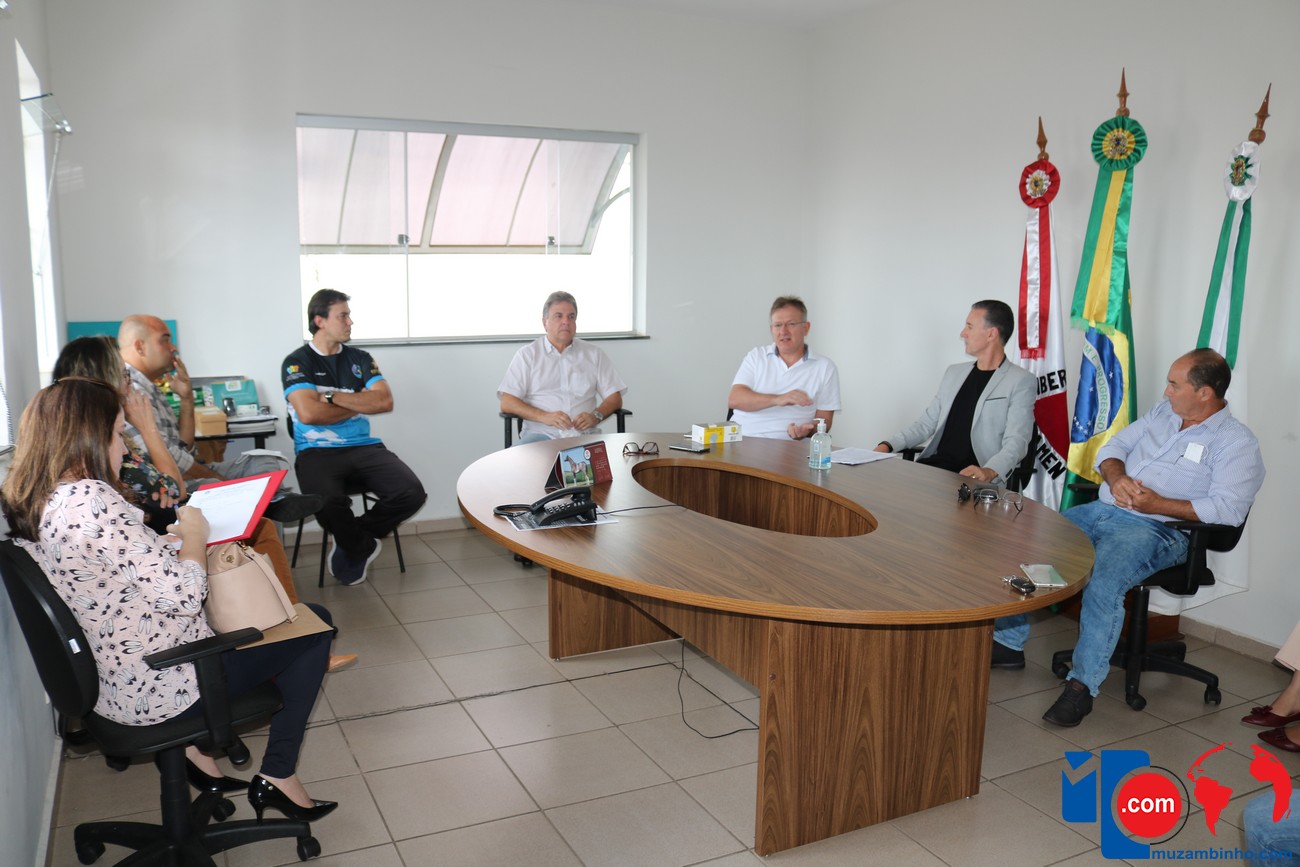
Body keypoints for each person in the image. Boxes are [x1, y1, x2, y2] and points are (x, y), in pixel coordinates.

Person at [0, 378, 338, 821]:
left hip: (113, 682)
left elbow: (107, 568)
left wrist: (164, 544)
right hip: (166, 681)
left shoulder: (40, 498)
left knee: (288, 625)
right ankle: (279, 774)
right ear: (87, 438)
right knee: (314, 624)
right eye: (117, 434)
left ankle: (201, 753)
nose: (123, 449)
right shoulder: (91, 499)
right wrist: (195, 537)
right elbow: (186, 596)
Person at [50, 337, 357, 672]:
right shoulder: (110, 445)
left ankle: (288, 622)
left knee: (260, 481)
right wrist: (147, 427)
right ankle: (291, 630)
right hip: (168, 532)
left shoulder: (97, 445)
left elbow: (183, 449)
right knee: (257, 526)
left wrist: (184, 400)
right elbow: (175, 489)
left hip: (161, 534)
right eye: (123, 375)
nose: (129, 381)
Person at [1040, 348, 1264, 727]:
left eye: (1175, 385)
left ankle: (1081, 688)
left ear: (1205, 393)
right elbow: (1113, 448)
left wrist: (1157, 503)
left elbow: (1228, 509)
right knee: (1033, 545)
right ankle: (1008, 645)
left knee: (1104, 581)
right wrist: (1117, 478)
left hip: (1160, 531)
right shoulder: (1163, 413)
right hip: (1103, 509)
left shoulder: (1236, 443)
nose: (1166, 392)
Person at [872, 301, 1036, 668]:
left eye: (969, 326)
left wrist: (989, 471)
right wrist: (888, 444)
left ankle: (997, 640)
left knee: (967, 549)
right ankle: (905, 614)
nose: (963, 333)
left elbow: (1017, 442)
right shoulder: (954, 373)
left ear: (991, 333)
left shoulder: (1020, 381)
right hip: (933, 472)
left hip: (975, 482)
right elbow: (926, 423)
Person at [282, 289, 426, 585]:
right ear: (320, 320)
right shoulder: (297, 362)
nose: (350, 322)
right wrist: (358, 400)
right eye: (343, 316)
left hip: (363, 447)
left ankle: (352, 536)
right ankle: (360, 544)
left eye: (348, 315)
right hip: (315, 450)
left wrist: (330, 397)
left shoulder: (359, 359)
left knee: (411, 492)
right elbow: (309, 414)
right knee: (325, 502)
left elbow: (384, 401)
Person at [118, 315, 288, 485]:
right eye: (165, 340)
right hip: (168, 483)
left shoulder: (148, 386)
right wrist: (225, 484)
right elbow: (174, 462)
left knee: (264, 462)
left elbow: (183, 446)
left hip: (181, 472)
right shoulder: (131, 390)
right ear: (140, 347)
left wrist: (186, 398)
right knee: (242, 478)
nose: (173, 348)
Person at [497, 291, 628, 445]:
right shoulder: (527, 355)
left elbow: (614, 398)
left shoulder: (594, 354)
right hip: (540, 436)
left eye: (571, 317)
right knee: (518, 459)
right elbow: (507, 402)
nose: (566, 321)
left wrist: (596, 416)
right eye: (558, 316)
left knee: (614, 457)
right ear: (545, 322)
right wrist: (544, 416)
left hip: (584, 436)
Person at [727, 296, 841, 440]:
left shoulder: (825, 367)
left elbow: (825, 420)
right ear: (771, 329)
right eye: (778, 325)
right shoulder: (756, 356)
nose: (783, 331)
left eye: (791, 324)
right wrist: (778, 399)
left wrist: (807, 430)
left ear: (806, 328)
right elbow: (735, 399)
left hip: (790, 447)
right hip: (743, 440)